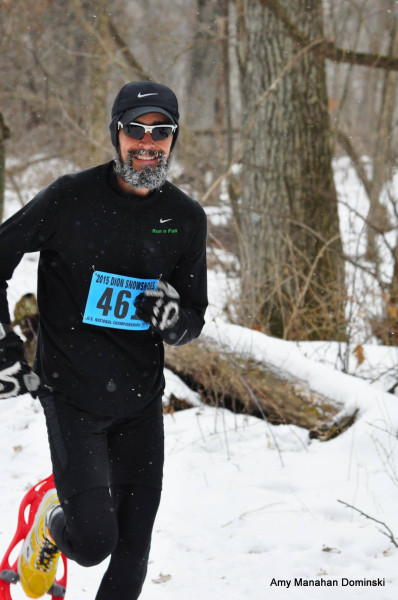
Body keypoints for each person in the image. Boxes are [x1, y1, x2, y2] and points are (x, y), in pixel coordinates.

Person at [0, 80, 208, 599]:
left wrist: (174, 320)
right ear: (116, 133)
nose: (147, 142)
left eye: (161, 132)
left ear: (173, 139)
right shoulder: (70, 197)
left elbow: (194, 318)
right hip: (71, 398)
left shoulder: (184, 219)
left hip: (139, 402)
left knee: (133, 552)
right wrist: (3, 345)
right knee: (93, 542)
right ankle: (51, 522)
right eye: (135, 129)